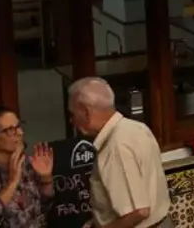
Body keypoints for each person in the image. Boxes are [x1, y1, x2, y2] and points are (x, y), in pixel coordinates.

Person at [66, 77, 172, 228]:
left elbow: (138, 212)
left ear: (86, 112)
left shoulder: (115, 145)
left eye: (72, 114)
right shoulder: (137, 127)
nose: (72, 121)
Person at [0, 106, 54, 228]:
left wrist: (46, 178)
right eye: (10, 130)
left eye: (19, 126)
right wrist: (12, 182)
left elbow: (44, 208)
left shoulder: (26, 162)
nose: (20, 133)